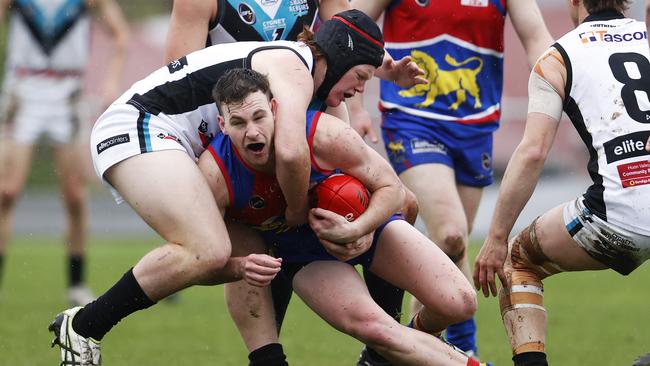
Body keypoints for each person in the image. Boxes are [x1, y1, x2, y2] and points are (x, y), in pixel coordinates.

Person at [47, 9, 415, 365]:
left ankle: (357, 355)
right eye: (362, 77)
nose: (361, 89)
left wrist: (364, 224)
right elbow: (289, 152)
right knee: (209, 248)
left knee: (256, 246)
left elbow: (390, 189)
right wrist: (297, 213)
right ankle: (84, 325)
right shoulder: (297, 69)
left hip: (177, 138)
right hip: (140, 124)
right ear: (339, 61)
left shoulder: (314, 75)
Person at [163, 1, 422, 362]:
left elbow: (346, 37)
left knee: (399, 203)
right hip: (242, 135)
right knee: (257, 243)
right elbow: (181, 79)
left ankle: (381, 353)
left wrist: (382, 67)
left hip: (312, 113)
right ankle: (268, 356)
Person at [199, 67, 490, 366]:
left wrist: (358, 229)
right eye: (238, 122)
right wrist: (241, 265)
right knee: (379, 329)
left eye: (259, 117)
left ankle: (385, 354)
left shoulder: (323, 133)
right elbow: (199, 258)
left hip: (366, 229)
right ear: (222, 124)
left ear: (274, 109)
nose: (252, 132)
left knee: (460, 303)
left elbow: (393, 190)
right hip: (306, 256)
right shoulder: (215, 174)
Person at [348, 0, 554, 362]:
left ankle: (404, 351)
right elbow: (351, 29)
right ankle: (461, 346)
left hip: (476, 127)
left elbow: (538, 39)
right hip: (412, 120)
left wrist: (563, 84)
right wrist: (354, 106)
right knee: (452, 234)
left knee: (448, 253)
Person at [473, 1, 650, 365]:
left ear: (575, 3)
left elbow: (533, 152)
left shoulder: (558, 57)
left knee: (518, 261)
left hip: (618, 216)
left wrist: (496, 238)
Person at [0, 0, 128, 305]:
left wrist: (111, 83)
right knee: (7, 192)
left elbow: (120, 34)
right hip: (22, 88)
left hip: (67, 93)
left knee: (74, 194)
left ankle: (76, 283)